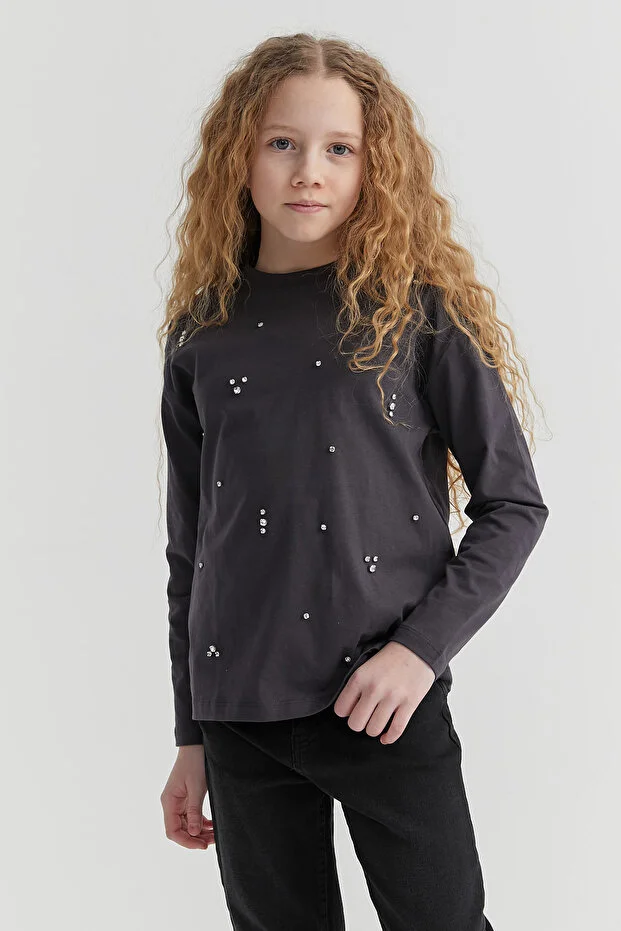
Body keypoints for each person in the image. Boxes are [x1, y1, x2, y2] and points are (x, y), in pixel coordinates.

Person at [157, 32, 549, 931]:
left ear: (375, 167)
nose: (309, 171)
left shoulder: (415, 315)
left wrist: (417, 653)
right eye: (282, 143)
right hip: (240, 715)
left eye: (339, 148)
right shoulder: (201, 336)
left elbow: (513, 505)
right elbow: (192, 550)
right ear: (239, 156)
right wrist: (190, 732)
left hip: (383, 704)